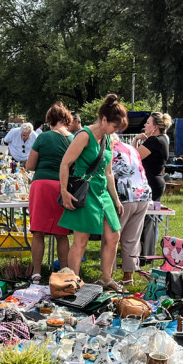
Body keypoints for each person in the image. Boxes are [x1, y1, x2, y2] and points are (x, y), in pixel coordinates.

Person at [58, 94, 128, 291]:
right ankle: (74, 282)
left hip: (102, 192)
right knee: (81, 240)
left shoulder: (108, 139)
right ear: (104, 119)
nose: (116, 131)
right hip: (84, 191)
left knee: (114, 235)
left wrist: (116, 200)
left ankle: (106, 278)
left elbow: (108, 172)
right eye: (115, 126)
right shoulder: (84, 135)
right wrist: (64, 191)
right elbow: (65, 163)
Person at [25, 102, 73, 282]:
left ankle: (36, 272)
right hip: (63, 186)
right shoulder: (74, 138)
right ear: (66, 119)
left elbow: (30, 165)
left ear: (49, 120)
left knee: (38, 231)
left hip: (42, 184)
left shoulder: (43, 137)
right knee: (62, 234)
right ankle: (65, 273)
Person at [111, 136, 152, 286]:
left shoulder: (110, 149)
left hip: (124, 195)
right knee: (132, 238)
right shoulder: (131, 148)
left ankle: (107, 276)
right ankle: (128, 276)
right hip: (143, 195)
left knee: (112, 237)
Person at [132, 112, 171, 202]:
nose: (145, 125)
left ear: (155, 127)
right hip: (157, 182)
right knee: (154, 213)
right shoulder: (163, 139)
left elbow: (133, 158)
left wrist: (136, 139)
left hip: (151, 184)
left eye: (148, 123)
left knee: (149, 214)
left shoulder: (154, 140)